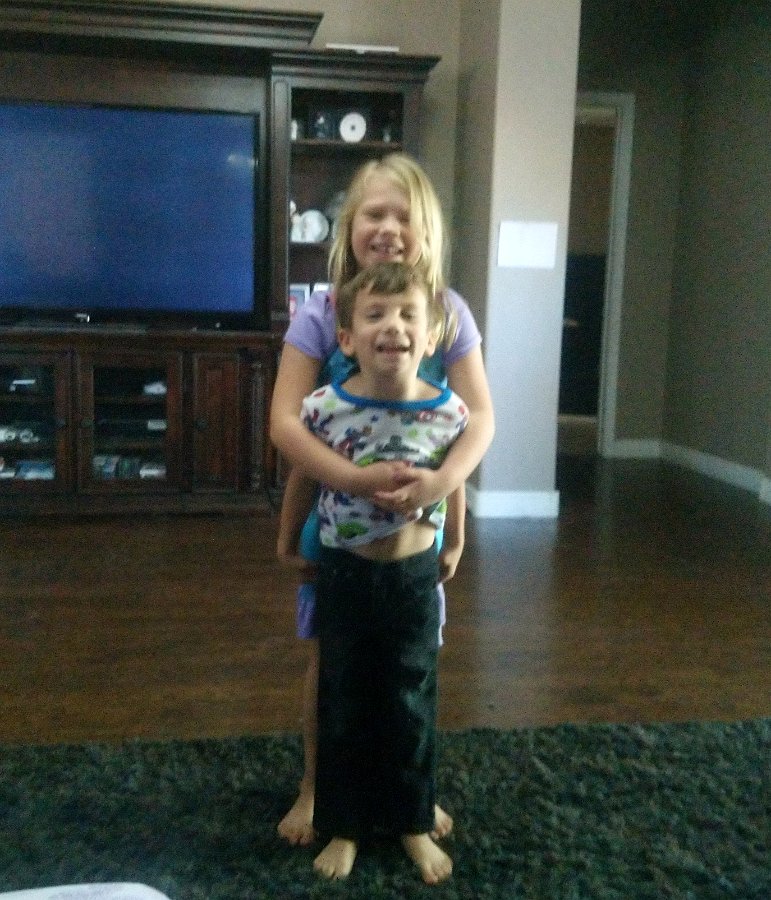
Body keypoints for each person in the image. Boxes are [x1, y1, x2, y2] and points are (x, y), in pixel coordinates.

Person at [271, 151, 495, 848]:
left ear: (427, 231)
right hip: (339, 531)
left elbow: (478, 420)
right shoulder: (320, 313)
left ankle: (406, 800)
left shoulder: (448, 312)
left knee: (408, 668)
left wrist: (441, 489)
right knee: (332, 665)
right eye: (374, 213)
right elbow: (286, 424)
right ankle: (318, 787)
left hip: (418, 535)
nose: (389, 228)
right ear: (348, 226)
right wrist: (355, 480)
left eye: (404, 216)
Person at [304, 260, 468, 882]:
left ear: (430, 339)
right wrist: (286, 540)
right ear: (347, 338)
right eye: (375, 315)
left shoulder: (448, 412)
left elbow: (453, 479)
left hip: (413, 577)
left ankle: (411, 822)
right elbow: (303, 474)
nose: (393, 326)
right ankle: (343, 826)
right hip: (345, 573)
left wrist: (457, 540)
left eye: (408, 316)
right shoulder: (324, 408)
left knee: (411, 701)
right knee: (343, 698)